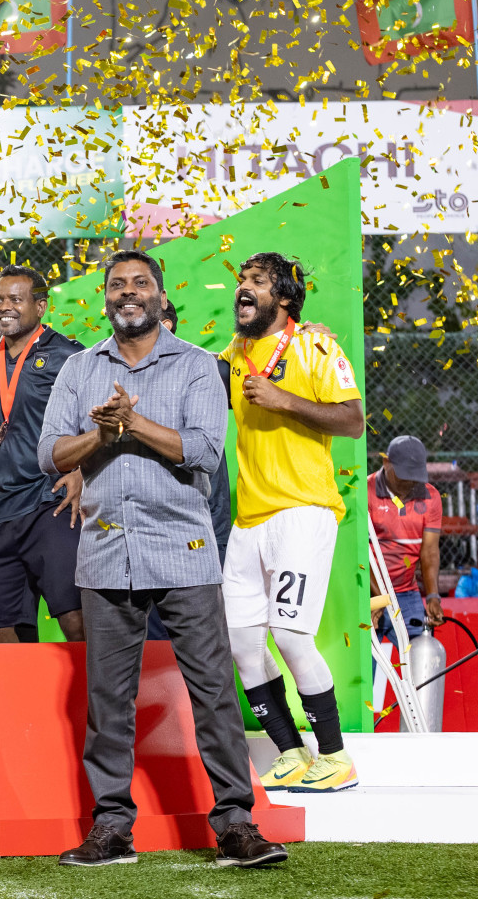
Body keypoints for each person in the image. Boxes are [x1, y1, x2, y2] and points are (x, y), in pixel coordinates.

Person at [39, 249, 286, 869]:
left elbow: (202, 450)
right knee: (107, 700)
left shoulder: (200, 367)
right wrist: (103, 435)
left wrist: (132, 423)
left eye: (140, 283)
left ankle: (236, 823)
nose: (128, 292)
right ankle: (112, 829)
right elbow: (51, 455)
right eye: (117, 284)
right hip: (105, 553)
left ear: (159, 294)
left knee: (212, 693)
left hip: (185, 552)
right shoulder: (77, 369)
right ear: (105, 297)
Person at [220, 252, 364, 795]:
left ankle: (336, 757)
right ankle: (292, 753)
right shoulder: (234, 353)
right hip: (248, 519)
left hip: (303, 510)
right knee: (241, 642)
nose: (243, 288)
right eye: (241, 280)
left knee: (290, 634)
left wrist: (284, 400)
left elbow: (352, 420)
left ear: (283, 296)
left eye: (256, 281)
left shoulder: (317, 345)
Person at [0, 265, 85, 644]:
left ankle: (99, 704)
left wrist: (83, 471)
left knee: (76, 619)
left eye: (16, 299)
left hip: (51, 505)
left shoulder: (69, 357)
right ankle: (24, 705)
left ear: (41, 306)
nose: (4, 307)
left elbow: (102, 420)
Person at [147, 299, 232, 641]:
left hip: (202, 532)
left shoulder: (209, 368)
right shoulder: (112, 372)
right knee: (151, 641)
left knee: (203, 637)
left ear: (168, 327)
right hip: (146, 534)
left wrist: (305, 336)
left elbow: (273, 371)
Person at [369, 435, 443, 641]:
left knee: (423, 659)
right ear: (386, 462)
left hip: (406, 593)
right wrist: (379, 597)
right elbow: (357, 553)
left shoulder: (431, 497)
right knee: (366, 664)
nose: (410, 482)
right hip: (368, 593)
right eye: (404, 475)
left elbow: (429, 551)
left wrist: (433, 596)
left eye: (415, 476)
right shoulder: (364, 492)